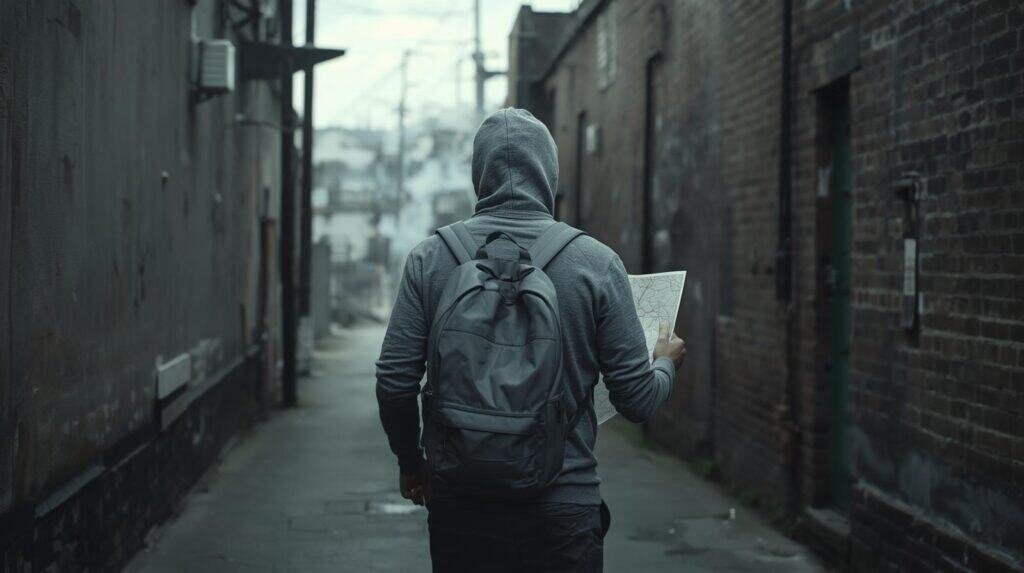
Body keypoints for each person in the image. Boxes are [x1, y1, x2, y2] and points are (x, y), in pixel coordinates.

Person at [376, 108, 686, 572]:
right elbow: (637, 400)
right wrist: (664, 363)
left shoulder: (431, 259)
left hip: (461, 503)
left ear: (478, 175)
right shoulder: (595, 263)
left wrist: (411, 462)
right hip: (563, 508)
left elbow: (395, 382)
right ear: (549, 174)